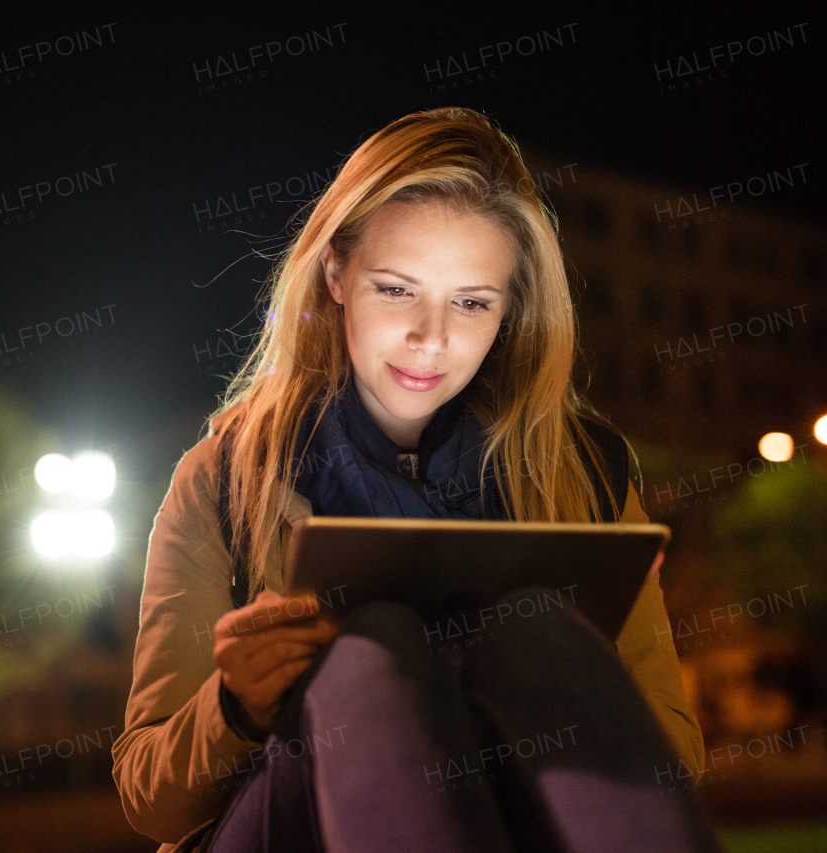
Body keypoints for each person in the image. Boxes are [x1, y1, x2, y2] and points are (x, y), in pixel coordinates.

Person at [111, 107, 717, 852]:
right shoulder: (225, 475)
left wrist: (573, 684)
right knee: (374, 640)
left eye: (470, 302)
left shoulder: (583, 470)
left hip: (515, 820)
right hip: (290, 820)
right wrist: (234, 706)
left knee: (533, 624)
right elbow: (149, 799)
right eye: (397, 289)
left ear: (511, 308)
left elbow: (675, 754)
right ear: (336, 271)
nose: (432, 337)